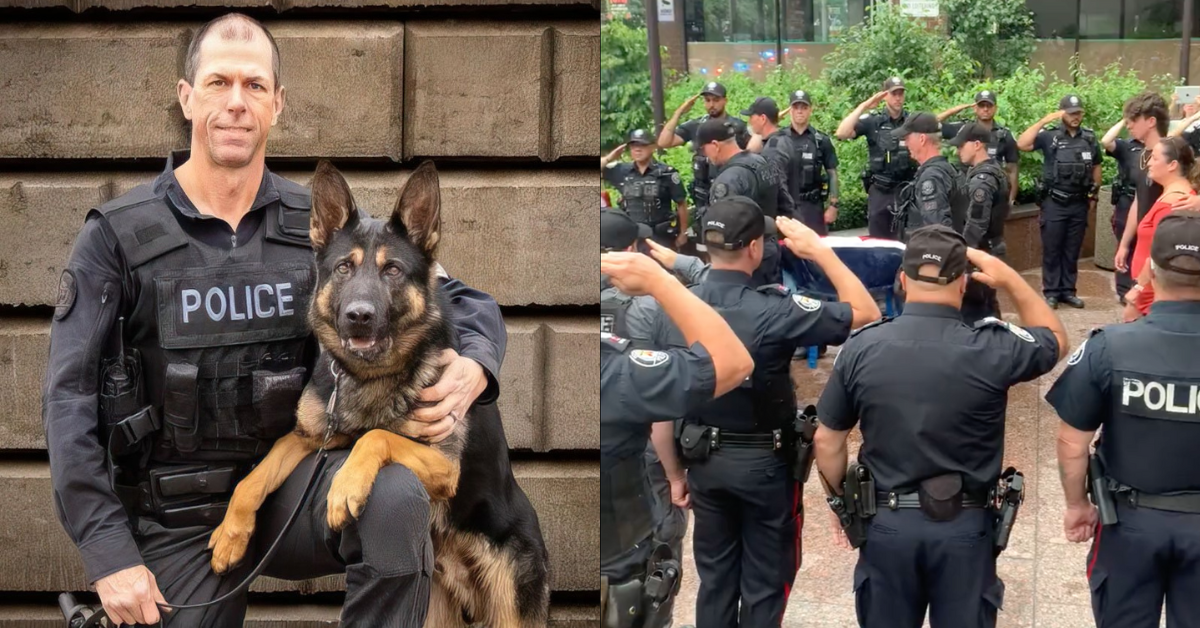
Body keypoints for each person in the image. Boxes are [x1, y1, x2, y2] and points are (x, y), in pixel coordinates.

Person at [41, 14, 507, 627]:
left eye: (255, 86)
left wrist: (476, 363)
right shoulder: (119, 236)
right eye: (218, 83)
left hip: (299, 486)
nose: (236, 102)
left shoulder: (322, 230)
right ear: (187, 98)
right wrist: (108, 555)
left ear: (277, 104)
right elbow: (67, 403)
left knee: (395, 498)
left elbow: (455, 296)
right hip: (173, 515)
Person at [814, 225, 1066, 628]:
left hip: (888, 523)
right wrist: (1011, 279)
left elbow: (827, 440)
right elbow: (1055, 338)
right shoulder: (992, 346)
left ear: (902, 278)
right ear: (964, 283)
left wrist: (839, 503)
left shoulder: (863, 346)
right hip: (965, 529)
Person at [650, 197, 880, 628]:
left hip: (704, 462)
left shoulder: (675, 306)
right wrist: (819, 249)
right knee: (767, 581)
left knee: (716, 580)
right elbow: (866, 311)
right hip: (765, 468)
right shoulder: (776, 307)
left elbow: (660, 405)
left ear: (704, 245)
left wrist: (674, 475)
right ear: (755, 247)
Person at [1047, 212, 1200, 628]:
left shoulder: (1110, 348)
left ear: (1150, 267)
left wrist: (1077, 505)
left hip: (1130, 524)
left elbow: (1072, 442)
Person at [599, 251, 754, 628]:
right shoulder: (613, 369)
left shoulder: (482, 371)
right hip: (620, 569)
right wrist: (662, 281)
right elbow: (733, 362)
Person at [1017, 94, 1103, 309]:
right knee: (1053, 248)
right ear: (1063, 114)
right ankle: (1052, 292)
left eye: (1079, 113)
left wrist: (1094, 195)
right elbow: (1022, 143)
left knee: (1072, 249)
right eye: (1072, 113)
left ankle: (1068, 291)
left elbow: (1096, 167)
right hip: (1054, 202)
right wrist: (1044, 121)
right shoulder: (1050, 136)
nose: (1076, 117)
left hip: (1079, 203)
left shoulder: (1089, 138)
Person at [696, 118, 790, 285]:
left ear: (715, 145)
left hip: (745, 260)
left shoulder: (727, 180)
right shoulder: (762, 162)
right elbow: (786, 204)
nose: (705, 156)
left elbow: (722, 230)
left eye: (704, 150)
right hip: (770, 248)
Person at [1118, 136, 1200, 322]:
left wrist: (1137, 294)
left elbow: (1160, 256)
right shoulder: (1174, 196)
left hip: (1152, 298)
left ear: (1172, 165)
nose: (1148, 163)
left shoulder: (1174, 203)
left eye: (1154, 158)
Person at [836, 77, 917, 240]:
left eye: (901, 93)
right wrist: (864, 106)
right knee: (879, 243)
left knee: (908, 242)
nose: (898, 98)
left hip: (906, 190)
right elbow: (841, 133)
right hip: (881, 192)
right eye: (894, 94)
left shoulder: (911, 121)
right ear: (885, 96)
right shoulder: (873, 120)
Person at [1107, 92, 1168, 303]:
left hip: (1163, 247)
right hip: (1142, 242)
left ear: (1151, 121)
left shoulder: (1172, 154)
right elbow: (1139, 199)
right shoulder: (1144, 155)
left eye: (1134, 120)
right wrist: (1124, 244)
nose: (1129, 125)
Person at [949, 122, 1011, 324]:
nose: (958, 150)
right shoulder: (994, 170)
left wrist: (963, 252)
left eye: (961, 145)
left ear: (977, 145)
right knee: (987, 303)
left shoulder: (982, 180)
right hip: (991, 247)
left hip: (981, 250)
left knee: (975, 308)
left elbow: (976, 223)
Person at [757, 90, 840, 235]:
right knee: (786, 249)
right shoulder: (778, 139)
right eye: (796, 107)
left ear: (810, 110)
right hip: (785, 205)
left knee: (816, 251)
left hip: (812, 206)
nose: (800, 111)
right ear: (790, 110)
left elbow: (832, 173)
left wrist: (833, 205)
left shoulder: (820, 140)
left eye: (804, 107)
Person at [658, 81, 751, 210]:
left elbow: (750, 154)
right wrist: (679, 112)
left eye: (716, 100)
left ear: (725, 101)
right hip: (703, 193)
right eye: (707, 100)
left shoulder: (737, 126)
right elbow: (664, 142)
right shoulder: (696, 125)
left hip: (730, 188)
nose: (711, 105)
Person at [602, 129, 690, 250]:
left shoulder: (666, 172)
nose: (637, 149)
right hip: (632, 235)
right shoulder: (621, 171)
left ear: (652, 147)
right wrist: (609, 157)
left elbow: (681, 203)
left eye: (642, 145)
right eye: (634, 145)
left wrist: (683, 233)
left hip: (660, 235)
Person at [890, 112, 967, 241]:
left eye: (907, 138)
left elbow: (938, 231)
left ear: (922, 139)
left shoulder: (932, 177)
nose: (905, 143)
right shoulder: (947, 169)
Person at [936, 90, 1019, 206]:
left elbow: (1012, 169)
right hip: (965, 193)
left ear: (995, 108)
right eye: (981, 105)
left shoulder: (1004, 135)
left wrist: (1010, 201)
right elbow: (931, 125)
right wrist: (954, 110)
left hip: (993, 194)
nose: (985, 109)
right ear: (975, 108)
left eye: (989, 105)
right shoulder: (963, 129)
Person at [739, 96, 796, 222]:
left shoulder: (773, 149)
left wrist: (781, 220)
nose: (749, 122)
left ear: (763, 118)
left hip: (782, 220)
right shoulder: (782, 139)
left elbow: (779, 188)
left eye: (751, 117)